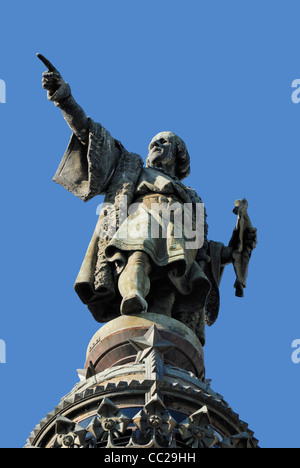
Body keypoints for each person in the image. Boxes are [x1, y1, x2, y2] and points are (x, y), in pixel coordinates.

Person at [38, 54, 257, 346]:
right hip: (142, 217)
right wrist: (64, 98)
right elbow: (90, 134)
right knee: (138, 252)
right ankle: (133, 297)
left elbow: (204, 249)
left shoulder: (191, 198)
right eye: (153, 141)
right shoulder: (132, 168)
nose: (155, 144)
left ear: (179, 154)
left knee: (172, 283)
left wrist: (236, 247)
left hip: (179, 231)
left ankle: (161, 331)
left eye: (164, 141)